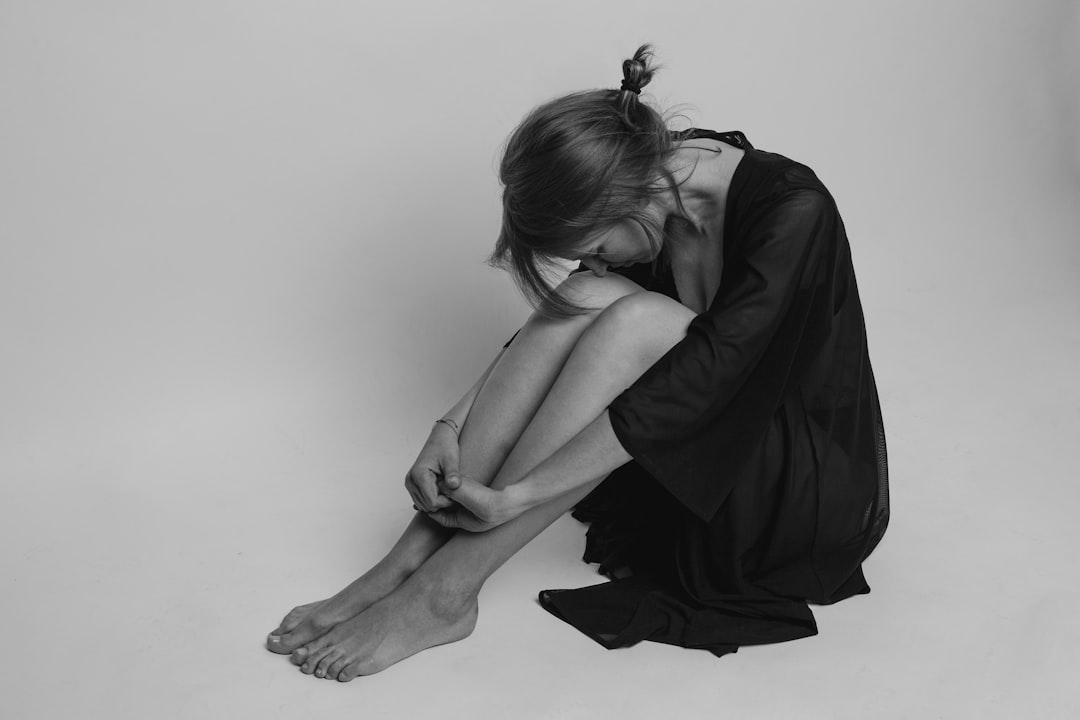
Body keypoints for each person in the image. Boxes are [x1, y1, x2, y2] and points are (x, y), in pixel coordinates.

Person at [265, 44, 889, 681]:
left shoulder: (793, 208)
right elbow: (580, 308)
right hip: (676, 450)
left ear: (625, 199)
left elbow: (708, 377)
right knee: (592, 295)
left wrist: (523, 494)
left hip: (773, 483)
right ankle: (403, 565)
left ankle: (444, 594)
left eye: (593, 244)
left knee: (641, 319)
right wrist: (449, 425)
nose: (598, 259)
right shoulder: (651, 173)